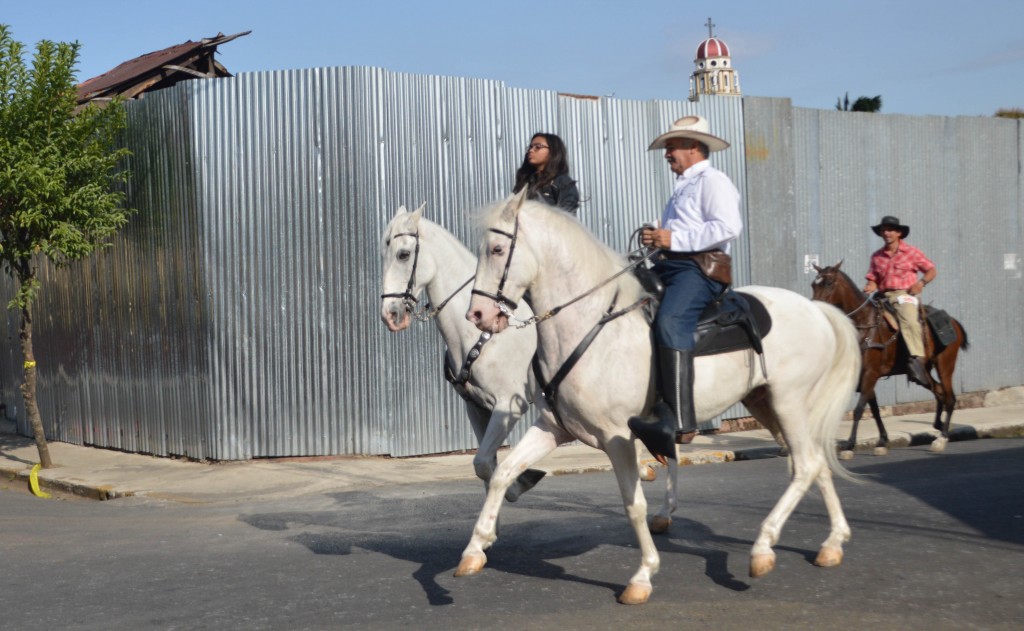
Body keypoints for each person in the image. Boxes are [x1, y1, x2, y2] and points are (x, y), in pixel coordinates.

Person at [627, 115, 742, 464]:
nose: (666, 154)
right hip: (672, 264)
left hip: (700, 269)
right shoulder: (682, 186)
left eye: (671, 146)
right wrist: (656, 240)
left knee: (670, 321)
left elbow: (728, 227)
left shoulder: (714, 180)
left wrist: (673, 238)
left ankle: (681, 420)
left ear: (694, 147)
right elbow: (677, 232)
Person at [862, 215, 936, 386]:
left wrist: (921, 283)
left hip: (904, 294)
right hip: (882, 295)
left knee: (909, 320)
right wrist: (871, 285)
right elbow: (873, 278)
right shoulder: (877, 256)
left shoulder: (912, 252)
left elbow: (931, 270)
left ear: (899, 233)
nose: (886, 233)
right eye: (883, 230)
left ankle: (917, 360)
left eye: (890, 230)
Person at [512, 133, 580, 215]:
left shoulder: (562, 182)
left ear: (553, 152)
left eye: (538, 147)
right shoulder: (526, 183)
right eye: (530, 147)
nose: (531, 150)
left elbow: (567, 219)